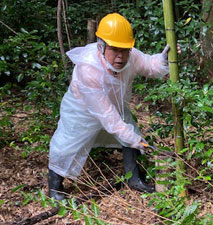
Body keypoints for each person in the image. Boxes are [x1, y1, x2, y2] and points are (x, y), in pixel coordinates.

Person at [48, 13, 171, 200]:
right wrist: (131, 137)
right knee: (67, 144)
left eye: (124, 50)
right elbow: (107, 115)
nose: (120, 56)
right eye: (114, 49)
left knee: (129, 131)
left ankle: (134, 179)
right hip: (81, 109)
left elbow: (149, 65)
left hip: (115, 106)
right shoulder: (88, 69)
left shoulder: (131, 56)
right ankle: (55, 187)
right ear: (102, 46)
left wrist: (163, 59)